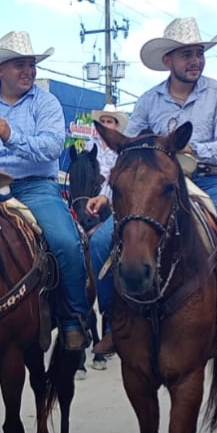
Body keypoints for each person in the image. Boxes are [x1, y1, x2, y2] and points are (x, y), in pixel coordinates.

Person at [85, 17, 217, 362]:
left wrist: (193, 149)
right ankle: (112, 323)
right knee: (99, 243)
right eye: (186, 54)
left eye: (199, 53)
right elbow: (129, 153)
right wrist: (108, 194)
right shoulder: (149, 100)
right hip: (155, 186)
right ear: (168, 60)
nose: (195, 61)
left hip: (206, 180)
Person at [0, 30, 90, 354]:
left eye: (31, 65)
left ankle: (74, 318)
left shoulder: (46, 102)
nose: (28, 71)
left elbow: (52, 147)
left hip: (35, 186)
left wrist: (12, 136)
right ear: (1, 70)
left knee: (66, 242)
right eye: (20, 65)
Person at [88, 106, 127, 371]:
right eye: (102, 121)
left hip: (116, 205)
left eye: (110, 121)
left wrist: (106, 197)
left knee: (101, 242)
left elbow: (115, 184)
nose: (106, 124)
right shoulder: (88, 149)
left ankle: (111, 319)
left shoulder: (123, 151)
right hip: (90, 201)